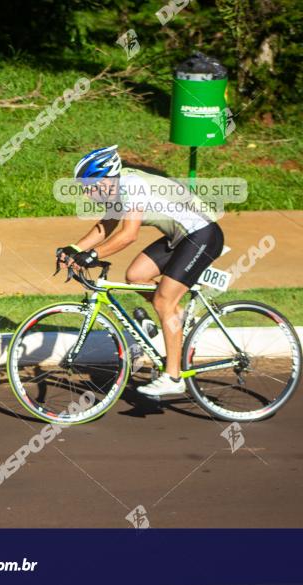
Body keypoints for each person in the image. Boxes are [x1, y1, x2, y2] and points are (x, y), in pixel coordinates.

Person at [57, 145, 224, 397]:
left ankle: (173, 377)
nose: (86, 193)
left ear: (106, 179)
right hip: (179, 237)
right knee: (136, 276)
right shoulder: (116, 191)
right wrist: (73, 249)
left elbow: (128, 235)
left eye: (89, 186)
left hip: (202, 234)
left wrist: (92, 255)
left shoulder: (131, 185)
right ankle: (176, 320)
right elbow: (107, 226)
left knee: (163, 300)